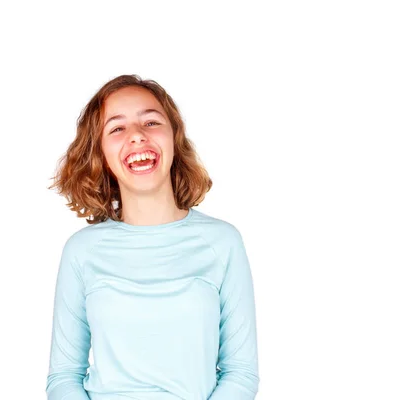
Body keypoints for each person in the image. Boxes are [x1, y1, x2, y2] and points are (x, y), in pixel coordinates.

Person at [45, 74, 259, 400]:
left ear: (174, 137)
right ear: (100, 154)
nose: (136, 136)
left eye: (151, 122)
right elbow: (63, 377)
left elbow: (241, 373)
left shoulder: (223, 242)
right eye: (117, 128)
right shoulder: (81, 251)